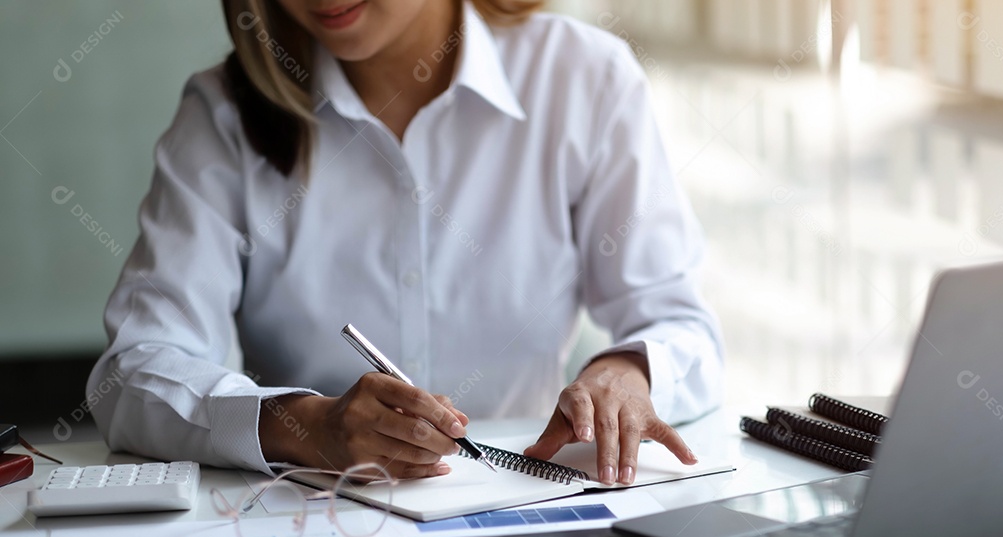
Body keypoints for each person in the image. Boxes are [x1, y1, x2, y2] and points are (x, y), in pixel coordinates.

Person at [87, 0, 724, 486]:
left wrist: (627, 372)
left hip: (528, 500)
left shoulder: (583, 79)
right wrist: (309, 426)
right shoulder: (224, 114)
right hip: (317, 522)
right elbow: (133, 374)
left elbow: (679, 324)